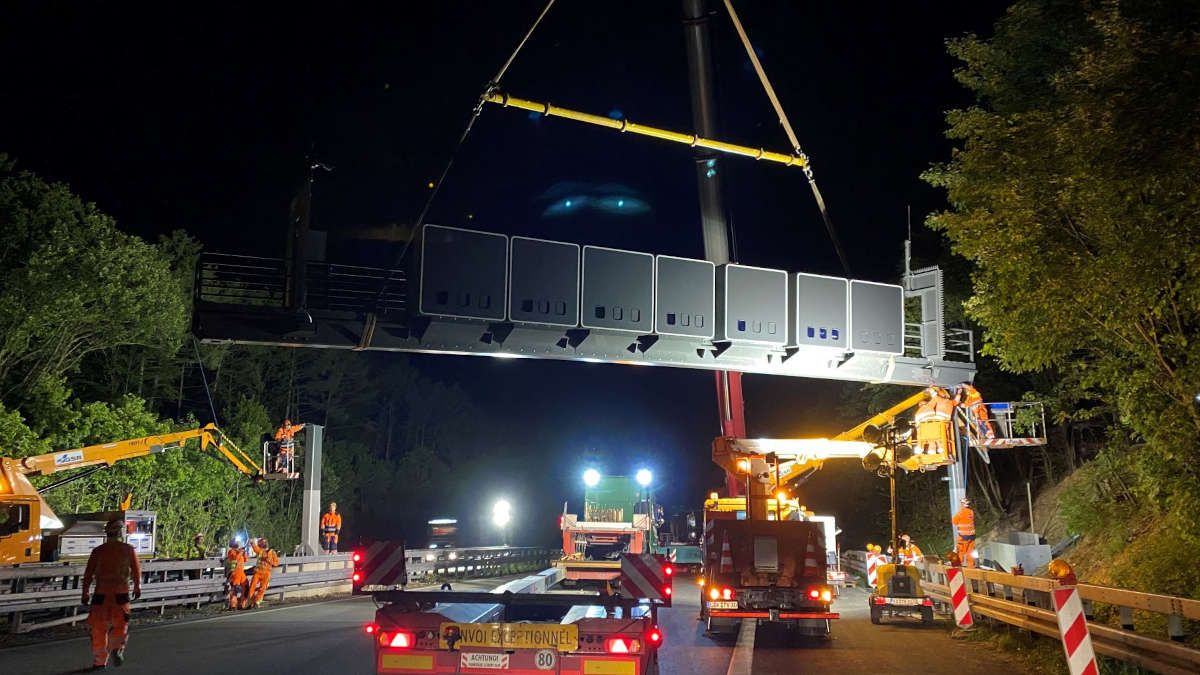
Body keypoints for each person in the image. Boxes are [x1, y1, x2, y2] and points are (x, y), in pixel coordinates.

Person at [81, 519, 142, 671]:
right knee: (120, 626)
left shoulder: (98, 551)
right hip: (120, 595)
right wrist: (137, 587)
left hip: (100, 596)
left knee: (98, 629)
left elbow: (88, 574)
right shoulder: (128, 550)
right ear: (121, 532)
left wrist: (85, 592)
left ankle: (99, 660)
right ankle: (116, 647)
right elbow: (136, 571)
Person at [914, 386, 957, 458]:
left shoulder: (918, 412)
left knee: (931, 440)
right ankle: (943, 452)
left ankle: (928, 452)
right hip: (940, 425)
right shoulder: (948, 403)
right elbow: (935, 399)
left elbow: (917, 425)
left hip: (930, 428)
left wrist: (933, 391)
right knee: (940, 439)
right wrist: (932, 390)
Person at [246, 537, 280, 608]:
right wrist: (252, 543)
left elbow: (276, 563)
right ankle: (250, 602)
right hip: (258, 572)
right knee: (252, 587)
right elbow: (255, 549)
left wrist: (270, 561)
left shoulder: (272, 552)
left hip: (266, 573)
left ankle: (257, 601)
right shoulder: (260, 551)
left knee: (263, 588)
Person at [224, 539, 249, 610]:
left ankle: (242, 604)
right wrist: (241, 552)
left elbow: (246, 559)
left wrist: (244, 553)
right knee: (235, 589)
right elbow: (236, 558)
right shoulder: (231, 551)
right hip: (235, 573)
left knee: (246, 587)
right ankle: (233, 605)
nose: (238, 543)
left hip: (241, 573)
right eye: (236, 542)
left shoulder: (239, 552)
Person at [952, 498, 977, 568]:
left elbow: (954, 521)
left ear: (962, 504)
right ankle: (971, 568)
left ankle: (957, 568)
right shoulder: (971, 512)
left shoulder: (960, 513)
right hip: (972, 537)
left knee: (960, 552)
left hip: (963, 537)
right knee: (970, 553)